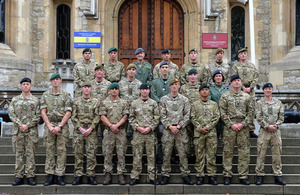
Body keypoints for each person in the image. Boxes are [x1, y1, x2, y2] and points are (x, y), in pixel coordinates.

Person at [219, 75, 254, 185]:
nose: (237, 82)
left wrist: (243, 124)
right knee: (227, 151)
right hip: (230, 127)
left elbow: (251, 112)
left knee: (244, 152)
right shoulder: (225, 96)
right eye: (234, 81)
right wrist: (231, 124)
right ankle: (227, 174)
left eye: (238, 80)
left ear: (241, 82)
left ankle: (243, 175)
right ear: (231, 83)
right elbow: (222, 112)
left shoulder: (247, 97)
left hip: (243, 127)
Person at [159, 78, 193, 185]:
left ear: (179, 86)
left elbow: (187, 115)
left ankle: (185, 174)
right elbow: (162, 115)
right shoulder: (164, 99)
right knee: (166, 153)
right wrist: (170, 126)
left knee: (183, 153)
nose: (174, 86)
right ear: (169, 86)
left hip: (181, 130)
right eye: (172, 84)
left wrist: (179, 126)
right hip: (168, 130)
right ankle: (165, 174)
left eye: (176, 84)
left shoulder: (184, 99)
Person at [40, 73, 72, 186]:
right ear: (51, 81)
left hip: (62, 127)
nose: (55, 81)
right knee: (49, 151)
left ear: (60, 80)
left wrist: (59, 126)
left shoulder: (66, 95)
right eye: (53, 79)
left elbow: (68, 112)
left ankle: (59, 175)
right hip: (49, 126)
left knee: (61, 151)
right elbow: (43, 111)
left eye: (57, 79)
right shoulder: (45, 95)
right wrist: (49, 126)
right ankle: (50, 175)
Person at [9, 77, 40, 186]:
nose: (26, 86)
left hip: (31, 132)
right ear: (21, 86)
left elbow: (38, 115)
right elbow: (11, 114)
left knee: (30, 154)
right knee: (19, 154)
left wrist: (28, 125)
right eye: (24, 84)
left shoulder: (36, 100)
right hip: (18, 132)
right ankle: (19, 176)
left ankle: (30, 175)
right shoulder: (15, 100)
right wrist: (20, 124)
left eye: (27, 84)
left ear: (30, 86)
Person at [255, 83, 286, 186]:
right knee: (261, 154)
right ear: (263, 91)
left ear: (272, 90)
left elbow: (281, 117)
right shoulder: (259, 103)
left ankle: (277, 175)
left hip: (275, 132)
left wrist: (276, 125)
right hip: (264, 132)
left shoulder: (278, 103)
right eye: (266, 89)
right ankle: (260, 175)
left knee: (277, 154)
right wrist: (267, 126)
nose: (268, 90)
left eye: (269, 88)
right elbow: (258, 117)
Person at [129, 83, 160, 185]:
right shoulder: (134, 103)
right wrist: (138, 127)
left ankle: (152, 176)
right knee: (137, 155)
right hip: (138, 133)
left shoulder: (154, 103)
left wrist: (150, 127)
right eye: (143, 89)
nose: (145, 91)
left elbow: (157, 117)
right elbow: (131, 118)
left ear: (149, 91)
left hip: (150, 133)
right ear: (140, 91)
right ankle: (135, 176)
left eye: (146, 89)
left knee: (151, 156)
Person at [71, 81, 101, 185]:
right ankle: (78, 175)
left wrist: (91, 128)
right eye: (85, 87)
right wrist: (80, 128)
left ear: (91, 89)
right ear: (82, 88)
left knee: (91, 154)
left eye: (88, 87)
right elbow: (73, 116)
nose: (87, 89)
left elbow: (97, 116)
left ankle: (90, 175)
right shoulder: (76, 101)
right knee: (78, 153)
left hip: (91, 131)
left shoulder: (95, 101)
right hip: (79, 131)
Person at [100, 83, 129, 185]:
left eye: (116, 89)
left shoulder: (123, 102)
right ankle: (108, 173)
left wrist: (117, 125)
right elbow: (102, 116)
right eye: (112, 89)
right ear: (109, 90)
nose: (114, 91)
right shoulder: (104, 102)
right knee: (107, 153)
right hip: (108, 131)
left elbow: (125, 116)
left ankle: (121, 173)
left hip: (120, 131)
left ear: (119, 90)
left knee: (121, 153)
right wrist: (111, 126)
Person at [191, 84, 219, 185]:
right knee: (199, 155)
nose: (204, 91)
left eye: (206, 90)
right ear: (199, 92)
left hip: (211, 133)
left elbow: (217, 117)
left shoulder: (214, 104)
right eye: (202, 90)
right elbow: (192, 117)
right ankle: (200, 176)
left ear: (209, 92)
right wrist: (200, 128)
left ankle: (211, 175)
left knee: (211, 156)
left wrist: (208, 127)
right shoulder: (194, 104)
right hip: (199, 134)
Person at [231, 47, 259, 138]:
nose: (243, 55)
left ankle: (251, 129)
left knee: (251, 110)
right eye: (241, 54)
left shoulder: (252, 66)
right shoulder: (236, 66)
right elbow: (234, 77)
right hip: (239, 90)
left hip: (250, 90)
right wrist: (242, 87)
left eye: (245, 53)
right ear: (239, 55)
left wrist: (251, 87)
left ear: (247, 55)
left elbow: (256, 76)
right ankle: (240, 128)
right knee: (239, 109)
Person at [150, 61, 171, 164]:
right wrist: (161, 102)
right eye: (163, 67)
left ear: (169, 69)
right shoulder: (155, 82)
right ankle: (159, 156)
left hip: (171, 111)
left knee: (171, 134)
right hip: (158, 110)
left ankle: (171, 156)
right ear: (160, 69)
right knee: (159, 133)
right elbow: (153, 94)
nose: (165, 69)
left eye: (166, 67)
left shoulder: (173, 81)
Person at [179, 69, 200, 159]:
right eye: (190, 75)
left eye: (194, 75)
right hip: (186, 116)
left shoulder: (200, 87)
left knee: (197, 138)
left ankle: (197, 156)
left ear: (197, 76)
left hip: (198, 117)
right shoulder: (183, 88)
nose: (192, 77)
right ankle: (186, 156)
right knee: (185, 139)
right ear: (188, 77)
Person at [119, 63, 142, 138]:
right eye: (129, 70)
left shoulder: (139, 84)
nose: (131, 71)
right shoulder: (121, 83)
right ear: (127, 71)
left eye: (133, 70)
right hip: (123, 110)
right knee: (122, 131)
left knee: (136, 132)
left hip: (135, 110)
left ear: (136, 72)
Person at [209, 70, 231, 139]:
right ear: (214, 78)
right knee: (216, 130)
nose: (218, 78)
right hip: (215, 112)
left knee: (226, 132)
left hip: (225, 112)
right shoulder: (210, 88)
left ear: (222, 78)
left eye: (220, 76)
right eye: (216, 76)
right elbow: (209, 100)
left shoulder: (227, 88)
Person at [91, 64, 111, 138]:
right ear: (94, 72)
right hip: (93, 112)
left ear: (104, 72)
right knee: (92, 134)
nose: (99, 72)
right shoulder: (90, 84)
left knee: (106, 134)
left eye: (101, 70)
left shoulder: (108, 84)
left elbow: (110, 98)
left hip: (104, 112)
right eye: (97, 70)